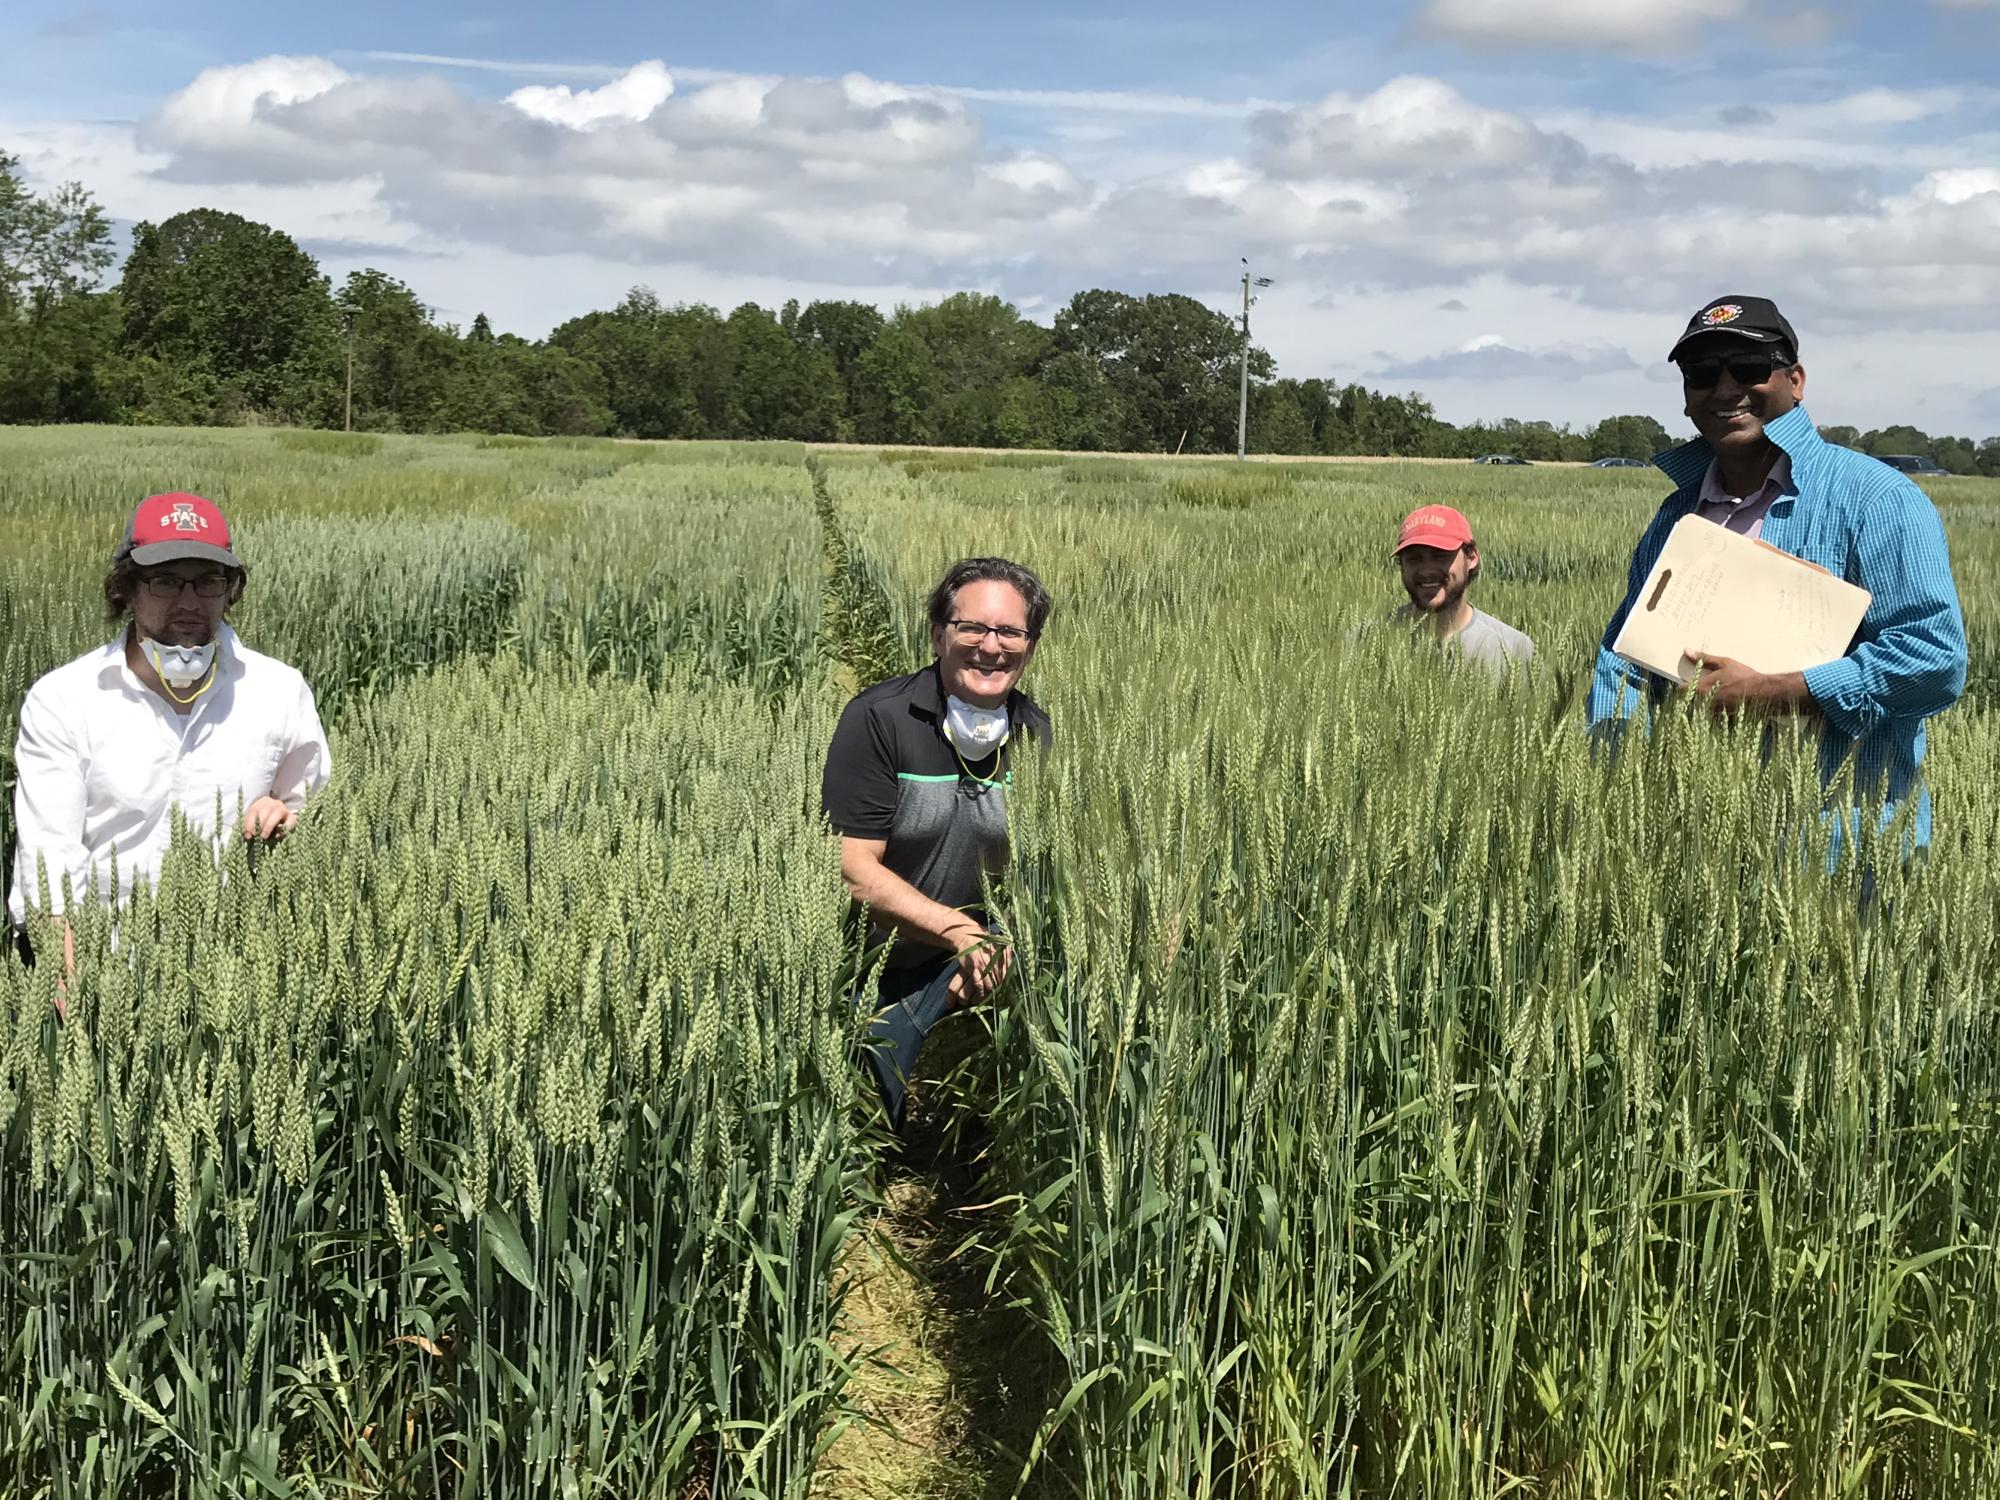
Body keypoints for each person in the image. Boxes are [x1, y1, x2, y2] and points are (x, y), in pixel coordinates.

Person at [1589, 295, 1966, 849]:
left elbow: (1935, 659)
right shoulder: (1677, 515)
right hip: (1700, 851)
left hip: (1845, 851)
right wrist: (1619, 790)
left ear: (1795, 380)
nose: (1724, 389)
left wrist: (1769, 692)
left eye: (1747, 368)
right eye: (1702, 373)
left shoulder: (1876, 499)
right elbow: (1622, 664)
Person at [10, 493, 332, 986]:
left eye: (208, 581)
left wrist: (285, 815)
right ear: (127, 590)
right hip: (104, 975)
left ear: (230, 591)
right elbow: (48, 862)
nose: (188, 602)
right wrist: (74, 1007)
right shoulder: (64, 700)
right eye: (164, 581)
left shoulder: (279, 691)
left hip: (238, 979)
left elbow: (314, 810)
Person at [821, 557, 1052, 1131]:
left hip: (975, 955)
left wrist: (1000, 945)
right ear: (937, 634)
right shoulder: (880, 720)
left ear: (1030, 643)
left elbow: (1042, 869)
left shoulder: (1036, 734)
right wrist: (957, 932)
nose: (990, 646)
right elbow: (853, 869)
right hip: (869, 961)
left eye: (1009, 632)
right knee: (862, 1115)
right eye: (971, 627)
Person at [1388, 504, 1535, 676]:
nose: (1427, 570)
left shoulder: (1513, 649)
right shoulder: (1366, 641)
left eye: (1440, 556)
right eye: (1414, 559)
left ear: (1471, 557)